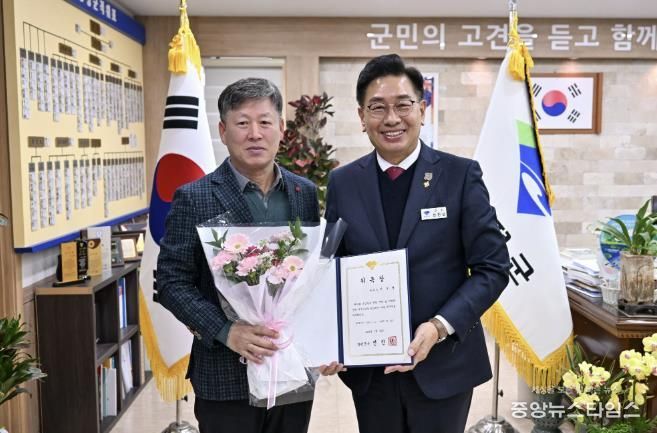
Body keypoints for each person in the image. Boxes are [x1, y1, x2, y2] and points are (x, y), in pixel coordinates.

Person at [324, 54, 510, 433]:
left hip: (444, 364)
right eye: (377, 107)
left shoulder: (459, 175)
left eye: (403, 105)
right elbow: (330, 267)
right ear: (361, 117)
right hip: (370, 370)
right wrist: (329, 338)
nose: (391, 118)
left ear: (422, 110)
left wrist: (439, 326)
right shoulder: (343, 182)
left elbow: (493, 268)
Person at [157, 77, 320, 433]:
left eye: (264, 122)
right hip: (224, 375)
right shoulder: (195, 197)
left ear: (281, 128)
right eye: (242, 123)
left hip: (292, 367)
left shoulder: (304, 193)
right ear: (223, 131)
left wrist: (325, 342)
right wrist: (225, 330)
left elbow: (312, 276)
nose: (255, 134)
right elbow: (170, 282)